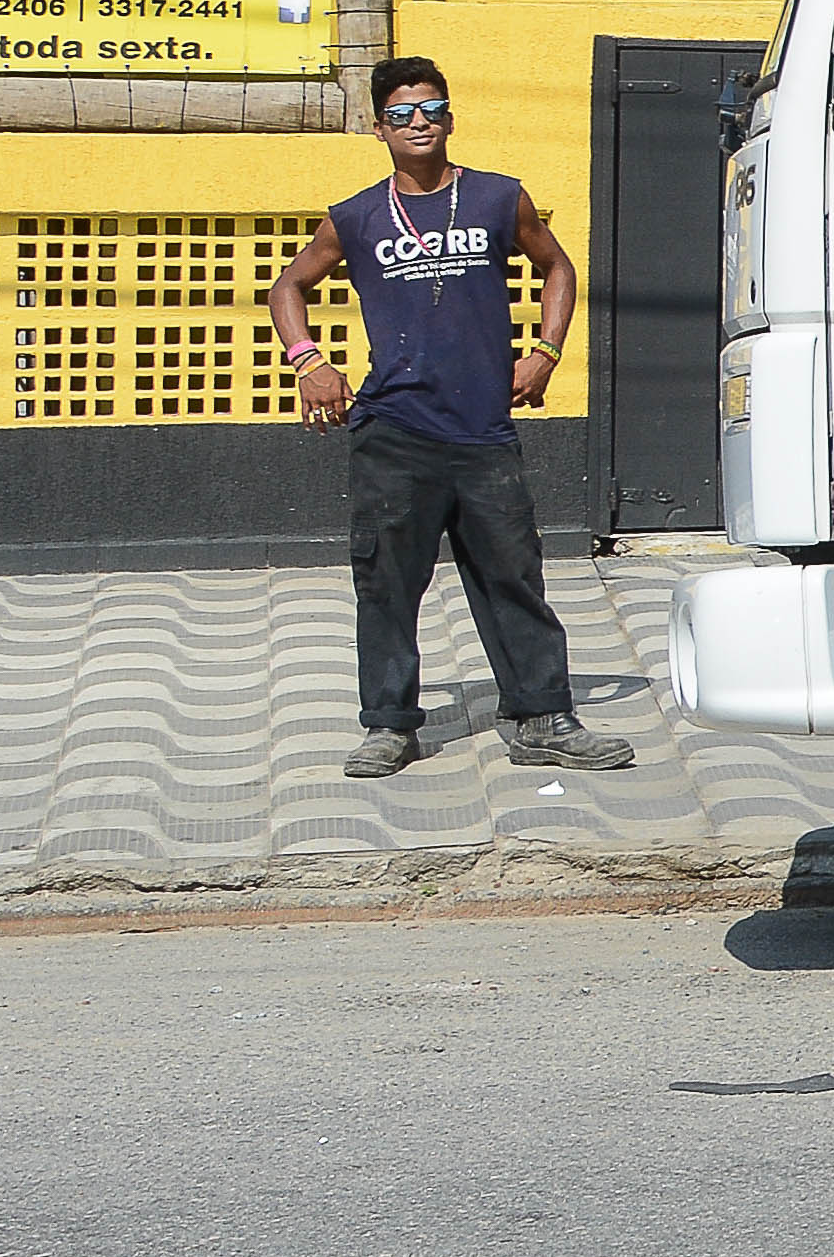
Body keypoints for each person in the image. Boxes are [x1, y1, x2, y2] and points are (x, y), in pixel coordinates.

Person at [271, 55, 632, 779]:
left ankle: (542, 716)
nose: (419, 123)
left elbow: (557, 266)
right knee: (387, 581)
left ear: (450, 117)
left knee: (514, 576)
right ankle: (390, 724)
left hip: (483, 432)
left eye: (432, 108)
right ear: (379, 128)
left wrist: (546, 350)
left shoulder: (500, 197)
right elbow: (290, 284)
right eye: (402, 114)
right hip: (395, 432)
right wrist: (311, 362)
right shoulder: (356, 215)